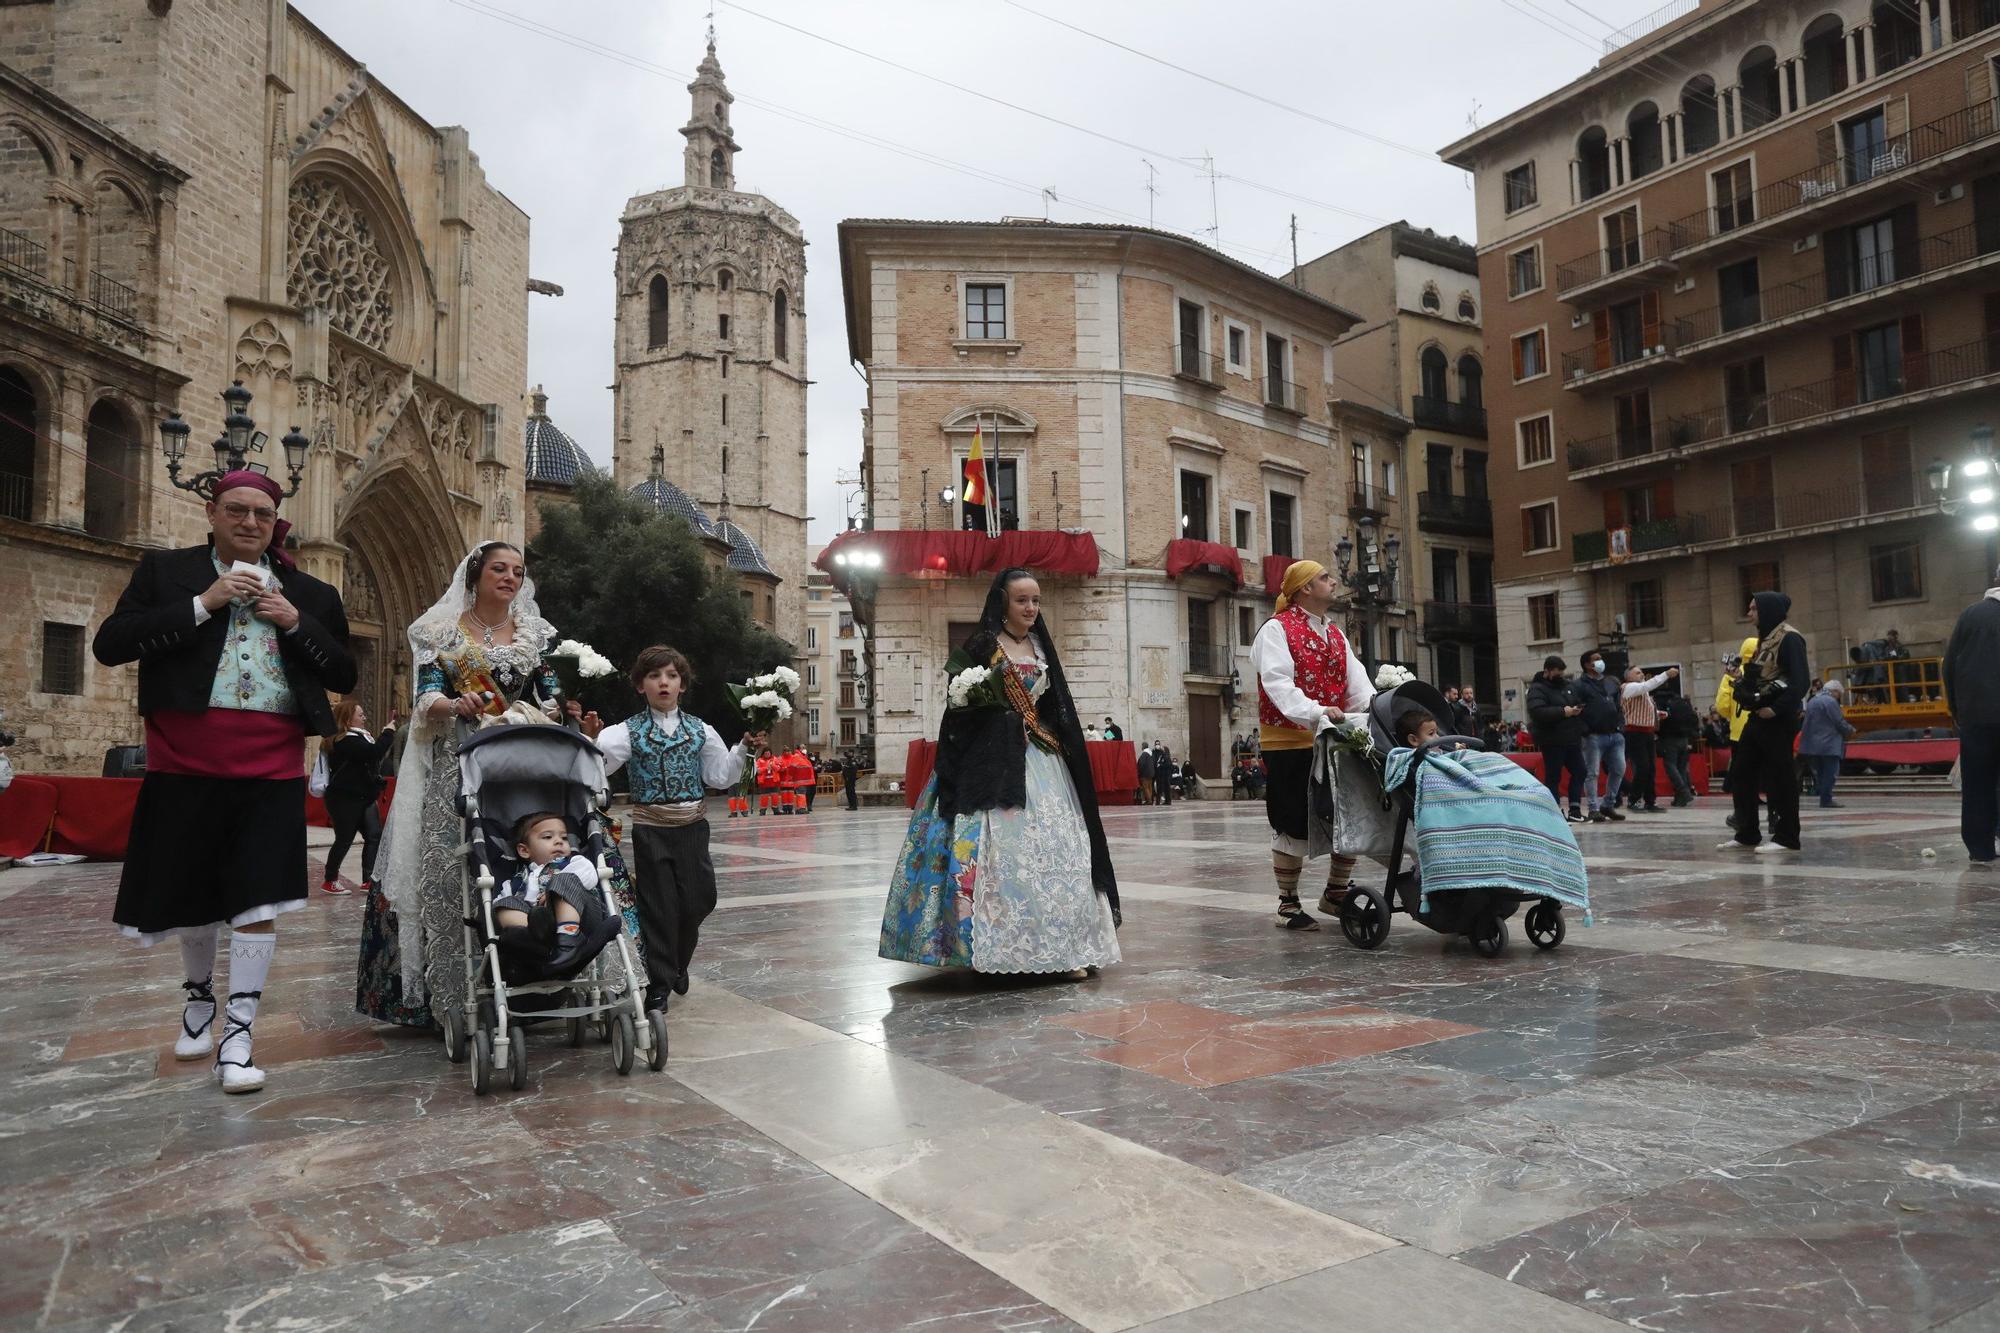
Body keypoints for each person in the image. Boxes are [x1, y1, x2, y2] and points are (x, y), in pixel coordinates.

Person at [93, 471, 355, 1093]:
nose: (249, 523)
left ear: (275, 524)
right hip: (185, 758)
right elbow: (110, 645)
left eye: (262, 515)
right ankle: (198, 1000)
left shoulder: (311, 592)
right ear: (212, 513)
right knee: (193, 894)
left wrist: (294, 622)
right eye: (236, 511)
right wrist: (203, 604)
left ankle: (239, 1035)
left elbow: (344, 669)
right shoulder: (167, 573)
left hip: (271, 762)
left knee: (258, 897)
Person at [879, 568, 1120, 974]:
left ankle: (1067, 948)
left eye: (1036, 601)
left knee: (1060, 854)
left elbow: (1053, 706)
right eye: (1022, 600)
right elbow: (961, 710)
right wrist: (1004, 726)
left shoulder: (1042, 646)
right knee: (1004, 858)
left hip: (1043, 764)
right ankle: (998, 946)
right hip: (990, 767)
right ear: (1002, 603)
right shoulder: (981, 646)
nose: (1031, 608)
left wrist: (1038, 729)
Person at [367, 541, 563, 1030]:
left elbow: (550, 693)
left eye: (518, 571)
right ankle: (454, 991)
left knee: (530, 859)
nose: (511, 578)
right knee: (459, 870)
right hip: (462, 763)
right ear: (475, 576)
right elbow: (425, 697)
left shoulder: (532, 635)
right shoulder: (443, 633)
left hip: (520, 765)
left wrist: (556, 710)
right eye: (500, 568)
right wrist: (457, 706)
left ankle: (537, 977)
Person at [585, 646, 762, 1008]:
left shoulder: (701, 730)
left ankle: (678, 961)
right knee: (660, 906)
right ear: (640, 686)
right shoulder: (625, 732)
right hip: (651, 830)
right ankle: (660, 983)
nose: (663, 682)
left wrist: (744, 749)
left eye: (671, 676)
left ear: (682, 685)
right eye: (654, 676)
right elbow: (596, 771)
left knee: (701, 899)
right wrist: (589, 739)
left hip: (693, 829)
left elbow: (719, 775)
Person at [1251, 559, 1374, 929]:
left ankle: (1336, 893)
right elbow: (1277, 684)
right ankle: (1288, 903)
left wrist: (1376, 711)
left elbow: (1358, 683)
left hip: (1337, 738)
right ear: (1305, 588)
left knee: (1346, 813)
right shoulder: (1276, 630)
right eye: (1324, 577)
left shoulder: (1335, 634)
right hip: (1291, 741)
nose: (1333, 581)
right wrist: (1316, 711)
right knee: (1292, 819)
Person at [1721, 591, 1810, 854]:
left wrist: (1776, 708)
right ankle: (1747, 833)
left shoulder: (1790, 638)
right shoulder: (1765, 639)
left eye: (1753, 609)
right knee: (1741, 772)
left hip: (1777, 718)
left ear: (1767, 610)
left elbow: (1800, 681)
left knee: (1780, 777)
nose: (1749, 614)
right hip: (1756, 717)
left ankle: (1787, 837)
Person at [489, 811, 620, 975]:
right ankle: (535, 938)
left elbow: (589, 875)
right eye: (547, 837)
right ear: (524, 850)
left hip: (581, 918)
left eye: (564, 838)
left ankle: (568, 939)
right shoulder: (516, 881)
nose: (559, 841)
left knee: (564, 880)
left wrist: (554, 891)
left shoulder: (574, 862)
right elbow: (499, 907)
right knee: (503, 904)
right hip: (541, 927)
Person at [1943, 565, 2000, 868]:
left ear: (1996, 578)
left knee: (1977, 783)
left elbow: (1949, 664)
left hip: (1976, 717)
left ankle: (1980, 847)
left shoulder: (1971, 614)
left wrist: (1957, 709)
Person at [321, 701, 396, 896]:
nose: (364, 718)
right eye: (360, 715)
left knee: (374, 835)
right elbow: (374, 753)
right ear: (348, 719)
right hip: (344, 798)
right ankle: (330, 880)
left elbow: (372, 759)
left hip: (365, 796)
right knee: (344, 839)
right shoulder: (344, 740)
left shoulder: (361, 737)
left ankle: (368, 880)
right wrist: (388, 732)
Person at [1526, 656, 1588, 822]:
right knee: (1553, 777)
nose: (1560, 675)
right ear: (1547, 671)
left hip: (1572, 738)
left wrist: (1577, 710)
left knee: (1580, 771)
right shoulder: (1537, 689)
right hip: (1552, 740)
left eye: (1562, 672)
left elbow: (1575, 701)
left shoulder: (1567, 686)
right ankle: (1554, 813)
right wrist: (1562, 712)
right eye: (1557, 672)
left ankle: (1575, 810)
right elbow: (1537, 712)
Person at [1573, 651, 1626, 823]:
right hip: (1593, 736)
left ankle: (1608, 804)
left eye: (1600, 659)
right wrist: (1585, 730)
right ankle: (1594, 808)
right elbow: (1576, 710)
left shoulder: (1610, 682)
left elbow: (1618, 704)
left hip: (1614, 734)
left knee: (1619, 769)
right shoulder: (1579, 685)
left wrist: (1620, 726)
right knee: (1592, 773)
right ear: (1587, 665)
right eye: (1596, 660)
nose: (1600, 662)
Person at [1619, 665, 1679, 813]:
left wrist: (1657, 713)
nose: (1642, 675)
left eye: (1642, 673)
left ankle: (1650, 801)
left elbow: (1643, 708)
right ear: (1629, 677)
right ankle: (1634, 799)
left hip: (1647, 732)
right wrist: (1665, 674)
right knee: (1642, 767)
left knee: (1651, 768)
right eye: (1638, 673)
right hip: (1634, 733)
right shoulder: (1628, 687)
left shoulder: (1642, 691)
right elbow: (1647, 685)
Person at [1798, 678, 1856, 809]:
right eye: (1839, 694)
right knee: (1830, 773)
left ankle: (1824, 798)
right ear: (1835, 691)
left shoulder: (1812, 700)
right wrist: (1851, 730)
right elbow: (1838, 721)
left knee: (1820, 773)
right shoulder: (1830, 701)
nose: (1838, 698)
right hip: (1828, 745)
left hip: (1811, 745)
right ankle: (1826, 800)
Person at [1657, 686, 1700, 807]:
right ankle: (1679, 799)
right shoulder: (1682, 702)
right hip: (1684, 739)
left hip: (1669, 738)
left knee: (1670, 765)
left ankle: (1684, 792)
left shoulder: (1662, 702)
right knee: (1681, 768)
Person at [1137, 741, 1156, 806]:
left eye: (1142, 746)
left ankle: (1149, 801)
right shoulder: (1151, 753)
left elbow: (1141, 764)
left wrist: (1139, 772)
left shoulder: (1144, 754)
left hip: (1145, 773)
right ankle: (1150, 799)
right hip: (1151, 773)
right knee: (1150, 787)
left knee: (1145, 787)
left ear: (1143, 746)